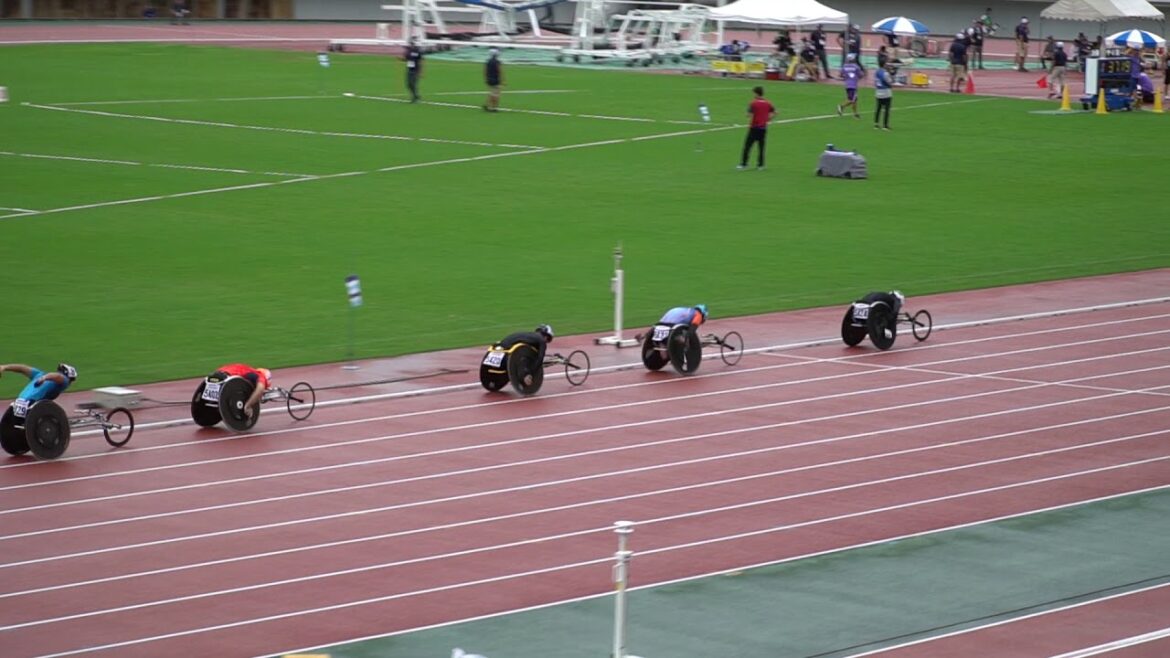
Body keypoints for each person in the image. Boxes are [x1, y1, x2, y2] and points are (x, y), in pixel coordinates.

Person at [208, 363, 273, 419]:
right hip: (227, 378)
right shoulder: (260, 375)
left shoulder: (247, 369)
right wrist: (248, 405)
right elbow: (260, 389)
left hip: (215, 375)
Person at [0, 363, 77, 407]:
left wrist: (5, 367)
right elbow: (58, 376)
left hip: (19, 401)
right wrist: (44, 378)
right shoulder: (65, 381)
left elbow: (22, 368)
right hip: (31, 403)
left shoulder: (38, 374)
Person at [738, 86, 775, 171]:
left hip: (754, 128)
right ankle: (761, 165)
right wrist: (768, 119)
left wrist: (748, 115)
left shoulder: (753, 103)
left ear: (756, 93)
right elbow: (775, 112)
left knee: (747, 146)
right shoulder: (768, 103)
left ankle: (744, 164)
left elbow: (749, 115)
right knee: (761, 147)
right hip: (763, 128)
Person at [837, 53, 864, 118]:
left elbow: (840, 75)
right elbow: (861, 75)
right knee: (852, 100)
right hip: (853, 85)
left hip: (847, 85)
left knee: (854, 100)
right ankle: (841, 106)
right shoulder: (856, 66)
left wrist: (845, 76)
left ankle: (855, 114)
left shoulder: (844, 66)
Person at [874, 62, 893, 130]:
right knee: (886, 109)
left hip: (878, 92)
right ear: (884, 65)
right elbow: (889, 82)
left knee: (878, 108)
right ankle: (885, 125)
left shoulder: (876, 72)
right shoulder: (885, 73)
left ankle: (876, 124)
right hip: (886, 93)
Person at [483, 47, 503, 112]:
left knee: (492, 92)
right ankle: (494, 108)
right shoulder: (497, 62)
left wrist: (486, 78)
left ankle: (488, 105)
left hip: (489, 79)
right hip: (496, 79)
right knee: (496, 94)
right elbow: (500, 71)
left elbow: (485, 71)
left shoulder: (488, 61)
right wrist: (503, 80)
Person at [404, 38, 423, 103]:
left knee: (413, 84)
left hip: (415, 70)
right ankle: (416, 96)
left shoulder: (417, 51)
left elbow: (420, 61)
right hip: (409, 69)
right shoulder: (408, 51)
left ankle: (415, 98)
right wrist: (400, 59)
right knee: (409, 84)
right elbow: (406, 59)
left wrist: (420, 71)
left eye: (411, 43)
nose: (410, 44)